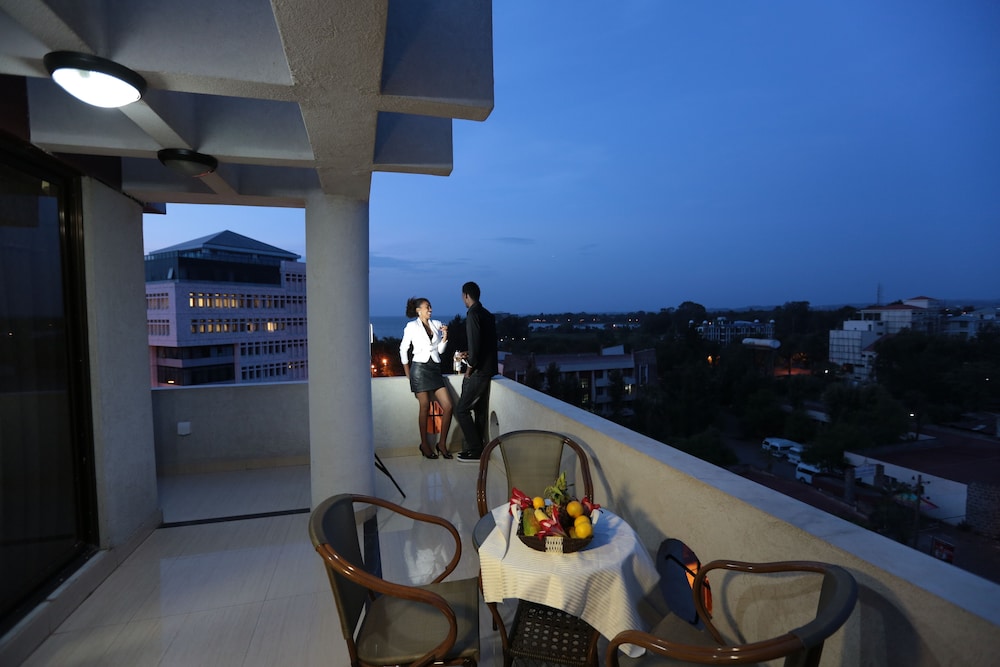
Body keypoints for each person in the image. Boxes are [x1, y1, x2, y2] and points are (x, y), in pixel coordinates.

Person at [399, 297, 454, 459]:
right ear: (418, 310)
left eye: (430, 307)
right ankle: (424, 444)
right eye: (427, 307)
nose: (430, 309)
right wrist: (408, 373)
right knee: (424, 406)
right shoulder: (411, 326)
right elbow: (403, 349)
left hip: (434, 368)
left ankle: (441, 444)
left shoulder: (436, 324)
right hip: (419, 369)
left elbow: (440, 350)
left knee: (448, 406)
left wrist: (445, 336)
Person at [454, 282, 498, 462]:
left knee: (462, 410)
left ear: (466, 295)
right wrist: (470, 353)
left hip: (479, 371)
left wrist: (469, 369)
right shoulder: (487, 314)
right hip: (489, 368)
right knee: (479, 410)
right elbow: (484, 344)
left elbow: (475, 344)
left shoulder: (472, 314)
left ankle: (475, 449)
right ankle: (479, 449)